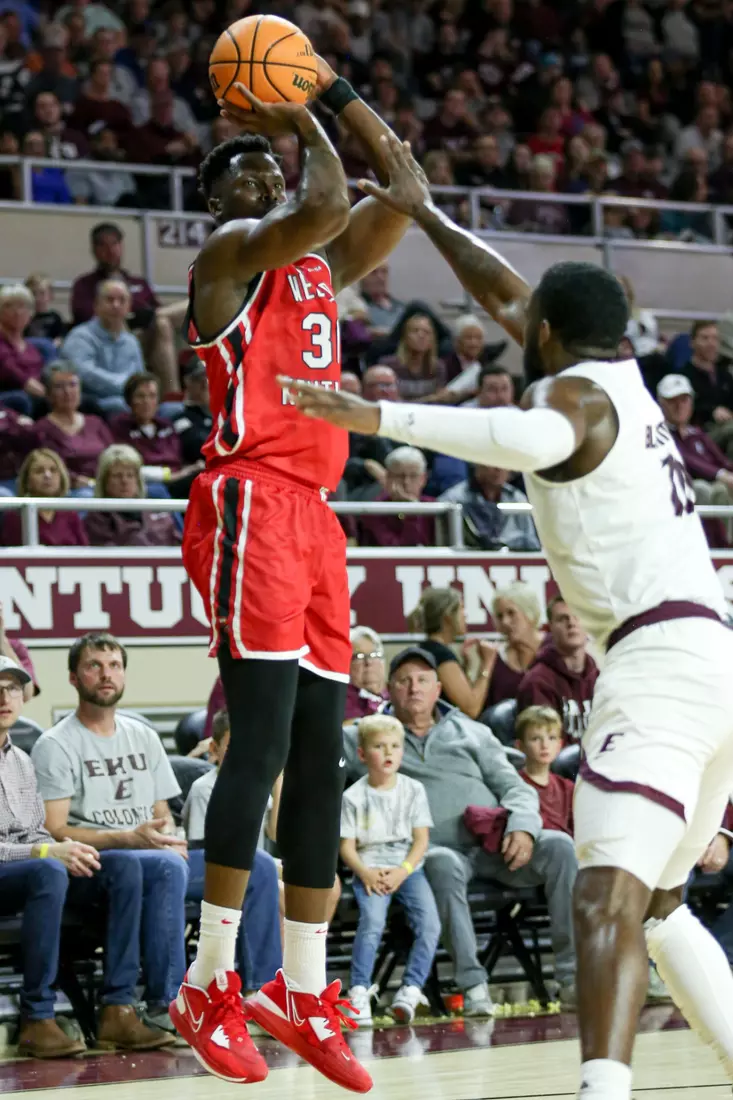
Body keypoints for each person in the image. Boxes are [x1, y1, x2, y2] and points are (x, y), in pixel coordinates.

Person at [282, 133, 733, 1100]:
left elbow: (522, 433)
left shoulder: (567, 400)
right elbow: (508, 299)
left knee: (603, 891)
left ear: (546, 338)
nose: (511, 324)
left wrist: (373, 416)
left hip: (656, 664)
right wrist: (429, 213)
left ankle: (600, 1094)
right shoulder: (620, 377)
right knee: (658, 903)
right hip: (712, 662)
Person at [172, 56, 417, 1093]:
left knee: (320, 755)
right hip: (248, 500)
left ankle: (302, 989)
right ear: (214, 201)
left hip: (315, 519)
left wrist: (341, 89)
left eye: (261, 163)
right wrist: (295, 108)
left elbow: (399, 191)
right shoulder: (230, 256)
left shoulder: (314, 262)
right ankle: (208, 981)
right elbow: (326, 194)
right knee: (260, 745)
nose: (257, 175)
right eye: (238, 166)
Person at [342, 648, 576, 1015]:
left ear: (438, 689)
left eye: (422, 680)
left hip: (494, 844)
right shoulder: (371, 736)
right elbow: (326, 762)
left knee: (560, 847)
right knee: (441, 862)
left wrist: (523, 828)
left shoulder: (473, 732)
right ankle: (474, 987)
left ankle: (572, 979)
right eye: (404, 681)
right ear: (390, 689)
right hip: (429, 855)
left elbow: (516, 787)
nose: (414, 689)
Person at [31, 633, 185, 1049]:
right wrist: (124, 838)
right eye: (94, 666)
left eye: (114, 665)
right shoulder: (56, 744)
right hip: (93, 862)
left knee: (257, 869)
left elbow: (163, 815)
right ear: (73, 677)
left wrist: (168, 837)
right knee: (160, 867)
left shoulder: (143, 736)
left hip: (148, 853)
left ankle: (263, 996)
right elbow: (53, 829)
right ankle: (165, 1007)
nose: (106, 674)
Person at [0, 655, 100, 1060]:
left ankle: (128, 1007)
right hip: (15, 871)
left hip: (19, 872)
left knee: (101, 867)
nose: (4, 697)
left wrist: (71, 852)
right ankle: (37, 1015)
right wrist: (45, 851)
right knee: (47, 870)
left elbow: (35, 831)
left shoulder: (21, 762)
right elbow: (38, 846)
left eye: (11, 688)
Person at [340, 714, 440, 1027]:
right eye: (379, 746)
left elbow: (421, 840)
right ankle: (358, 991)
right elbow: (346, 847)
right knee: (372, 921)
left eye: (395, 746)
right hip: (369, 867)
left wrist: (403, 871)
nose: (388, 753)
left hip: (407, 868)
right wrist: (366, 873)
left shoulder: (413, 790)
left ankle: (410, 990)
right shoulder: (353, 796)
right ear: (362, 754)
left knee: (430, 924)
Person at [183, 709, 283, 994]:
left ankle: (293, 981)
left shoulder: (258, 787)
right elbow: (204, 849)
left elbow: (277, 835)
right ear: (214, 749)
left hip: (258, 868)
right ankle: (266, 986)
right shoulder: (205, 789)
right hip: (217, 868)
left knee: (317, 886)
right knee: (281, 892)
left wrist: (277, 782)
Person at [517, 596, 599, 742]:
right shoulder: (537, 682)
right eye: (563, 618)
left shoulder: (600, 679)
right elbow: (543, 748)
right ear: (550, 628)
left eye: (577, 617)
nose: (572, 623)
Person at [409, 586, 496, 719]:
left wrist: (465, 667)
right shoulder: (440, 655)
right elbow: (471, 708)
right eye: (461, 608)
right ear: (448, 617)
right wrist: (487, 664)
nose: (465, 614)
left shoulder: (429, 649)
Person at [61, 280, 145, 415]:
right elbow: (85, 375)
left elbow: (141, 378)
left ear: (129, 307)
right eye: (110, 300)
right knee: (119, 406)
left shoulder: (132, 342)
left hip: (129, 402)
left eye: (122, 300)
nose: (116, 305)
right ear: (96, 305)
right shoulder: (80, 337)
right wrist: (126, 386)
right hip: (93, 403)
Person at [36, 360, 113, 494]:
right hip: (71, 490)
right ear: (48, 394)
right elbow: (50, 467)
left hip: (106, 485)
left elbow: (114, 455)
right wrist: (79, 481)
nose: (67, 392)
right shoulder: (42, 428)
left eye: (72, 385)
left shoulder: (95, 422)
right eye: (59, 387)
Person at [85, 444, 181, 547]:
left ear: (138, 480)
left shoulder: (156, 507)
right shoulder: (97, 518)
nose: (125, 481)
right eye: (117, 476)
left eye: (130, 475)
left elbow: (178, 542)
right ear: (104, 481)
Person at [439, 464, 541, 551]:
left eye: (504, 463)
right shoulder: (453, 499)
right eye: (492, 462)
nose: (498, 468)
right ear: (478, 463)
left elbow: (532, 544)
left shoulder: (518, 499)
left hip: (514, 565)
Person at [1, 449, 88, 548]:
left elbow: (84, 552)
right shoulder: (16, 516)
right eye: (39, 471)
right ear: (28, 481)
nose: (47, 475)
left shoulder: (70, 514)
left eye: (53, 470)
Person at [357, 446, 437, 548]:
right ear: (388, 478)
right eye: (400, 476)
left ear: (423, 479)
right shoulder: (374, 512)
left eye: (413, 476)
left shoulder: (435, 507)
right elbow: (399, 553)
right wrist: (412, 510)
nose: (406, 482)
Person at [515, 705, 574, 836]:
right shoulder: (515, 785)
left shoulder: (567, 788)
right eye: (536, 739)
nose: (545, 745)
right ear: (520, 746)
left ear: (560, 745)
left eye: (551, 738)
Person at [0, 284, 45, 416]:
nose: (17, 312)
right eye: (9, 306)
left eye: (22, 306)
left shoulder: (32, 348)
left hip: (35, 393)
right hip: (8, 395)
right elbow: (14, 375)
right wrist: (50, 395)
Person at [346, 626, 388, 721]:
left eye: (374, 654)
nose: (368, 662)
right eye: (359, 656)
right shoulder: (342, 702)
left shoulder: (395, 693)